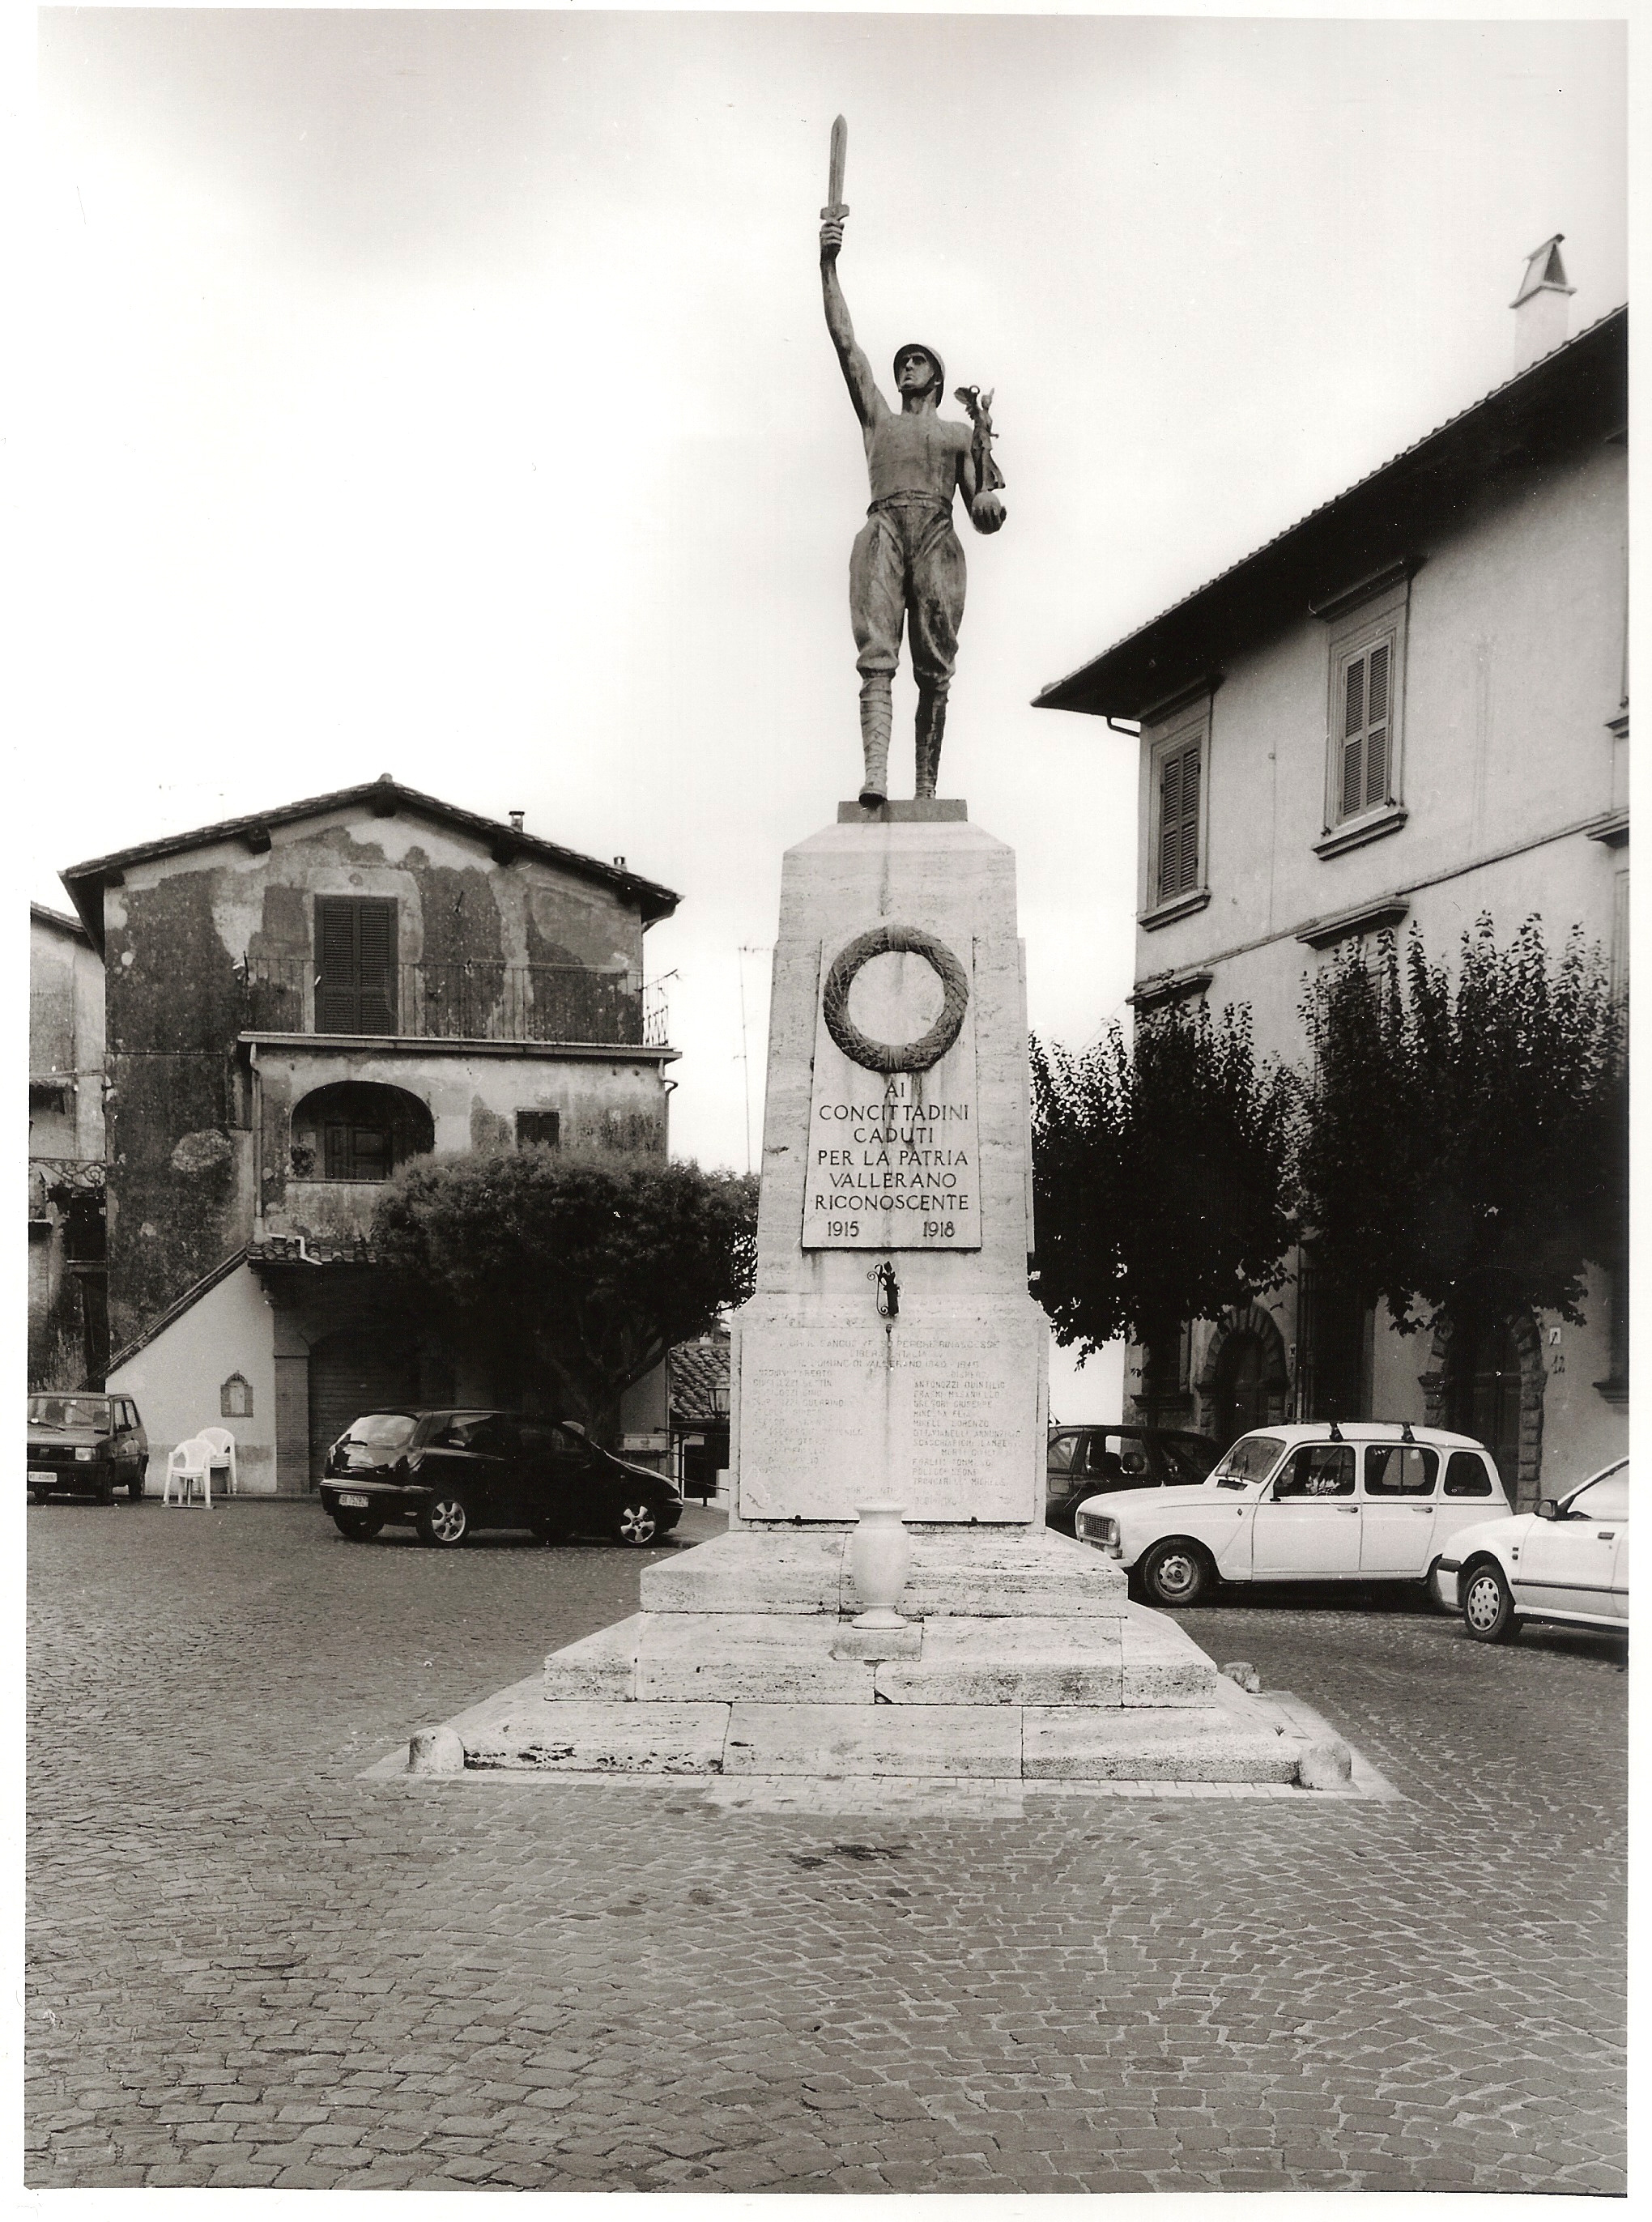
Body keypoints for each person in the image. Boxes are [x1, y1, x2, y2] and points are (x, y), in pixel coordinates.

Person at [820, 211, 1004, 806]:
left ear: (935, 377)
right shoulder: (879, 419)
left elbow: (979, 506)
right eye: (903, 361)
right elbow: (846, 344)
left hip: (935, 533)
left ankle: (926, 783)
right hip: (883, 529)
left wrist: (990, 507)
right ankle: (876, 773)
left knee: (935, 667)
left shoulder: (956, 434)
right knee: (876, 656)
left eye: (917, 361)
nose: (906, 366)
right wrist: (828, 264)